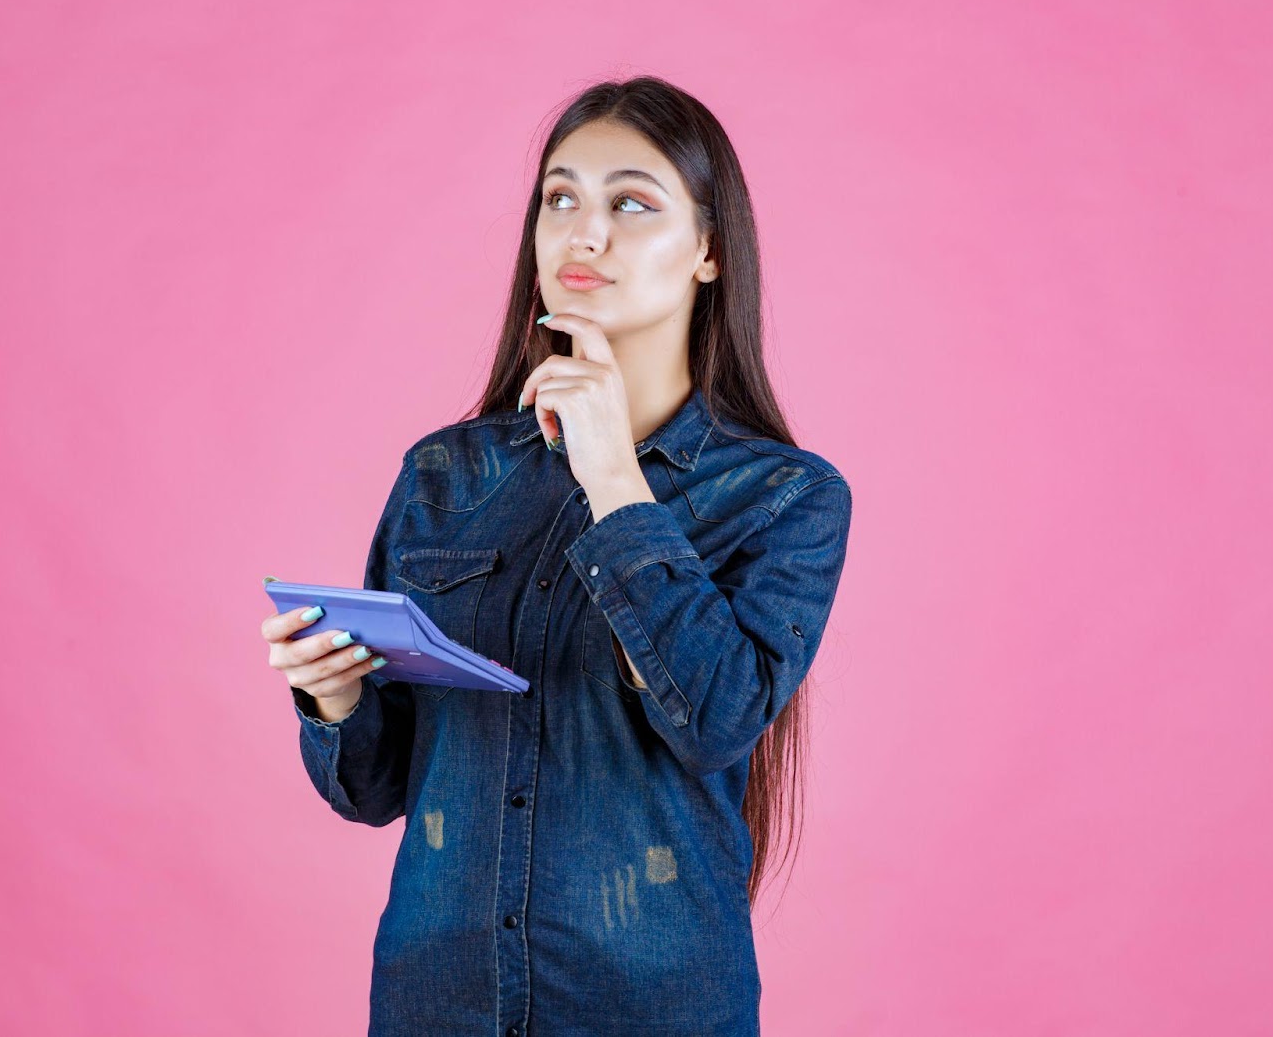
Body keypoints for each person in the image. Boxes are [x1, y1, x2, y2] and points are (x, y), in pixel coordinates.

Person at [261, 76, 853, 1037]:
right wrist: (333, 698)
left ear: (708, 250)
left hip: (650, 1002)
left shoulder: (786, 496)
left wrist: (616, 474)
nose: (584, 233)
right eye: (560, 197)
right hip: (436, 999)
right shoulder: (445, 473)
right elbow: (374, 791)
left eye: (631, 202)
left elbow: (715, 721)